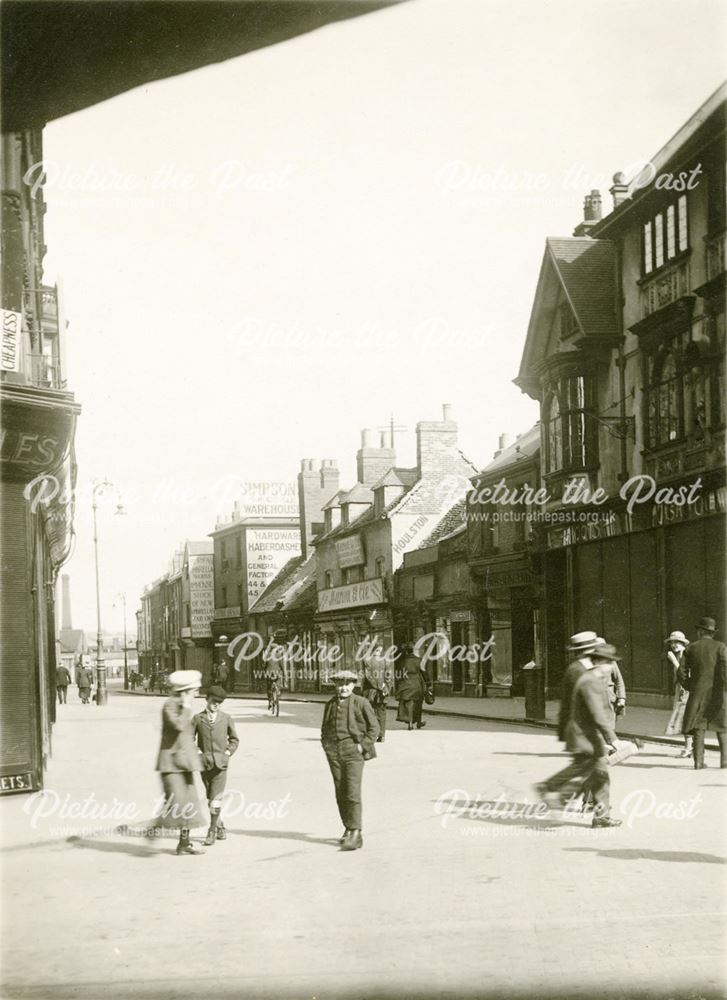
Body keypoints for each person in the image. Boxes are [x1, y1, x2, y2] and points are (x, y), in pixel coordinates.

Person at [536, 643, 623, 828]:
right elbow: (597, 713)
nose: (611, 667)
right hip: (585, 736)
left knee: (599, 776)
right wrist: (613, 739)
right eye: (608, 662)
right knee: (587, 771)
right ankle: (550, 788)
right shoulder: (590, 680)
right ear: (598, 661)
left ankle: (601, 816)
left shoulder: (593, 678)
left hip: (589, 735)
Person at [321, 669, 379, 851]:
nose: (343, 688)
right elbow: (324, 728)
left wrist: (363, 746)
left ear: (354, 685)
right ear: (335, 686)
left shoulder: (361, 703)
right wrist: (327, 746)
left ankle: (356, 831)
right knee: (340, 791)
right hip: (334, 753)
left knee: (352, 791)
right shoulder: (330, 704)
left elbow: (374, 728)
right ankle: (348, 827)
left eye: (347, 684)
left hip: (353, 752)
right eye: (339, 684)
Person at [155, 669, 206, 855]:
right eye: (193, 690)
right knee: (178, 804)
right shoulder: (170, 705)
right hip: (171, 764)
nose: (196, 694)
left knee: (189, 804)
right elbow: (178, 726)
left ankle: (184, 843)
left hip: (184, 763)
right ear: (184, 691)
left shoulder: (183, 706)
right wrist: (185, 707)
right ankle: (156, 828)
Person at [193, 685, 239, 846]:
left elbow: (234, 739)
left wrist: (227, 753)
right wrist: (198, 753)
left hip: (221, 766)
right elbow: (189, 740)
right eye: (213, 701)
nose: (216, 705)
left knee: (215, 800)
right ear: (207, 700)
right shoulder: (198, 719)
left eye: (219, 702)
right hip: (204, 765)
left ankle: (211, 831)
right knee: (210, 798)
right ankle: (220, 826)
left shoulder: (226, 718)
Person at [679, 617, 727, 769]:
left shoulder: (691, 648)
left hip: (698, 692)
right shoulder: (721, 647)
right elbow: (725, 669)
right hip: (718, 692)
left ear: (700, 631)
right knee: (722, 726)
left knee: (698, 726)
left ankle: (698, 762)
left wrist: (689, 686)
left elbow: (681, 672)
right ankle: (725, 761)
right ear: (712, 633)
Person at [663, 630, 692, 757]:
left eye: (676, 642)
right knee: (683, 718)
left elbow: (684, 673)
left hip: (685, 690)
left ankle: (689, 748)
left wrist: (673, 660)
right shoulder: (680, 654)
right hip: (680, 689)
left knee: (685, 717)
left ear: (682, 643)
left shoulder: (685, 654)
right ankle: (689, 747)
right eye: (672, 642)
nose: (674, 645)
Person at [395, 645, 431, 730]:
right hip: (417, 684)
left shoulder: (402, 662)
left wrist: (399, 685)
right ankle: (418, 723)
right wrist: (428, 683)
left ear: (407, 652)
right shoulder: (419, 660)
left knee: (409, 704)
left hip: (405, 684)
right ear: (414, 651)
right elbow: (424, 673)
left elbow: (398, 675)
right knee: (418, 703)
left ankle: (410, 723)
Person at [362, 656, 392, 742]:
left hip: (370, 691)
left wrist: (377, 686)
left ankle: (372, 734)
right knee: (381, 713)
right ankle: (382, 735)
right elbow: (389, 676)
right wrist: (386, 688)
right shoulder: (386, 660)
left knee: (370, 713)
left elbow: (368, 677)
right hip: (382, 691)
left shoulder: (367, 660)